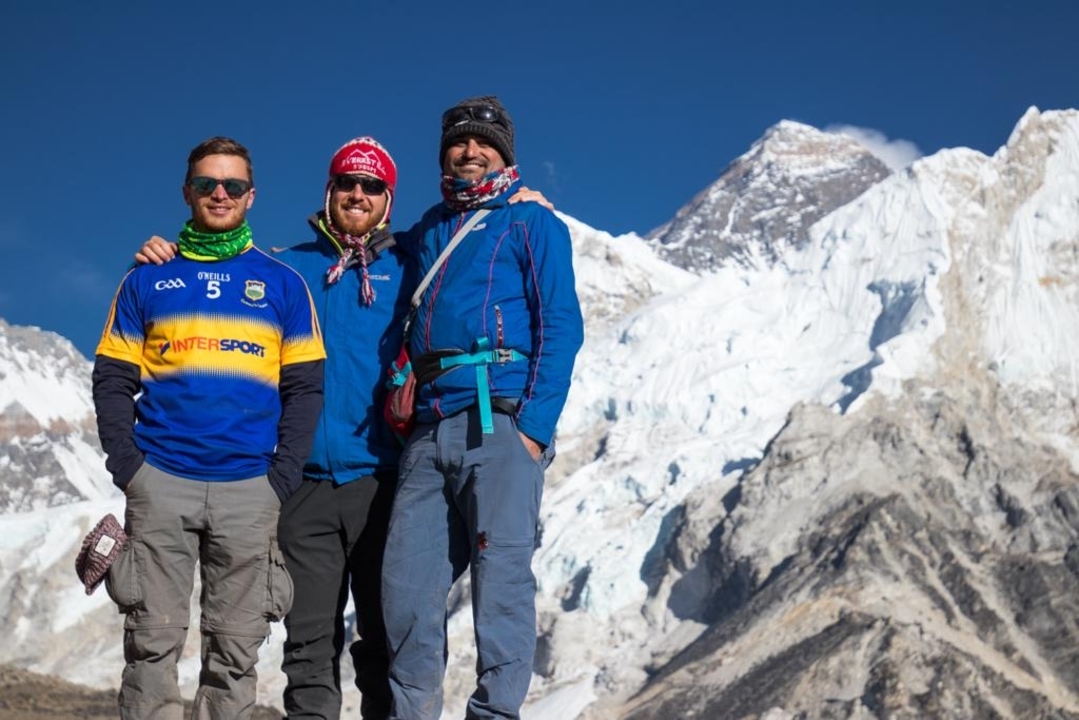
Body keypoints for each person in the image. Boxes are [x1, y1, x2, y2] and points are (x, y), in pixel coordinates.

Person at [133, 137, 553, 720]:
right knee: (307, 642)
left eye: (373, 186)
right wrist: (167, 254)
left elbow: (472, 251)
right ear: (329, 192)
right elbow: (222, 270)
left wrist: (516, 202)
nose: (359, 194)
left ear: (388, 199)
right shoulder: (286, 269)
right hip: (302, 484)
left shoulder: (416, 260)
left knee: (389, 638)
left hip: (385, 481)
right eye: (347, 183)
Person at [92, 136, 327, 720]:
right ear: (187, 192)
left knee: (236, 650)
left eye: (232, 186)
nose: (219, 194)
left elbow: (305, 389)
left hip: (249, 488)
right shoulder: (147, 278)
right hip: (160, 480)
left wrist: (281, 477)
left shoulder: (282, 284)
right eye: (206, 184)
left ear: (251, 196)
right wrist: (130, 467)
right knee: (151, 644)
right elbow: (112, 378)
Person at [380, 96, 584, 720]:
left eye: (484, 143)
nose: (471, 152)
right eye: (458, 144)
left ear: (505, 154)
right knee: (405, 595)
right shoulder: (429, 231)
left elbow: (561, 326)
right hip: (428, 432)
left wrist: (533, 430)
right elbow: (364, 245)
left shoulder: (533, 224)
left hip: (500, 424)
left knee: (501, 594)